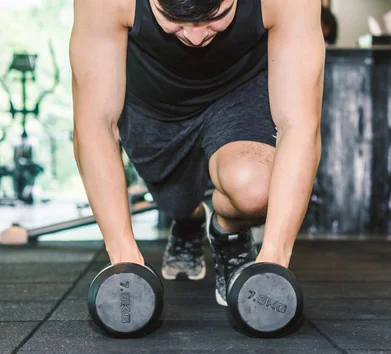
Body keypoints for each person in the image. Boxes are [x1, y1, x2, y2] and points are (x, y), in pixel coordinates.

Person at [70, 0, 324, 306]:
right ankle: (189, 221)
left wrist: (272, 263)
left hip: (241, 88)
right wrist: (125, 262)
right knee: (177, 203)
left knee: (256, 190)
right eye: (172, 19)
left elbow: (299, 126)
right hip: (153, 102)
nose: (195, 36)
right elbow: (95, 124)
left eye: (216, 16)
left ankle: (228, 233)